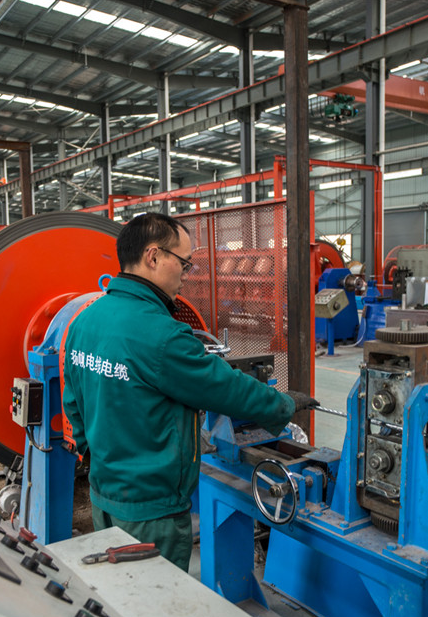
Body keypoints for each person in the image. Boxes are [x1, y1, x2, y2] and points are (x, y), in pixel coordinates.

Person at [61, 212, 317, 571]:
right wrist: (283, 404)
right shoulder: (161, 334)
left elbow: (72, 401)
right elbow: (225, 387)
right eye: (184, 263)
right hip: (152, 511)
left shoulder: (85, 320)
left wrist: (96, 458)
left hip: (104, 496)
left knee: (118, 592)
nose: (186, 274)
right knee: (157, 597)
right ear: (153, 257)